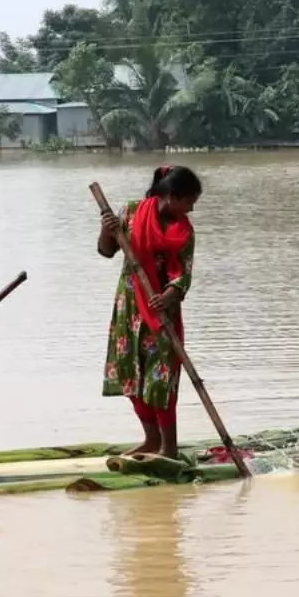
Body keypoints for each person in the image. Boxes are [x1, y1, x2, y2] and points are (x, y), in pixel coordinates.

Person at [96, 164, 202, 459]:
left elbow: (183, 275)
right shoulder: (130, 213)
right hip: (129, 308)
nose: (191, 209)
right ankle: (151, 439)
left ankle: (169, 448)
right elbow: (106, 251)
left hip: (162, 313)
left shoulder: (184, 230)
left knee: (161, 378)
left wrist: (167, 296)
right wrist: (107, 231)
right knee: (131, 374)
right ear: (172, 195)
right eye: (189, 201)